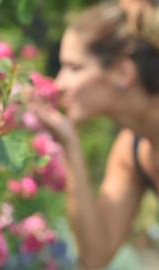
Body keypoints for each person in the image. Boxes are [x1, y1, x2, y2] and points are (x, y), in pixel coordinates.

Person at [30, 1, 159, 268]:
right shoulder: (132, 150)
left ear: (123, 72)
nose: (60, 84)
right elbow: (96, 254)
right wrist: (70, 145)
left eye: (75, 68)